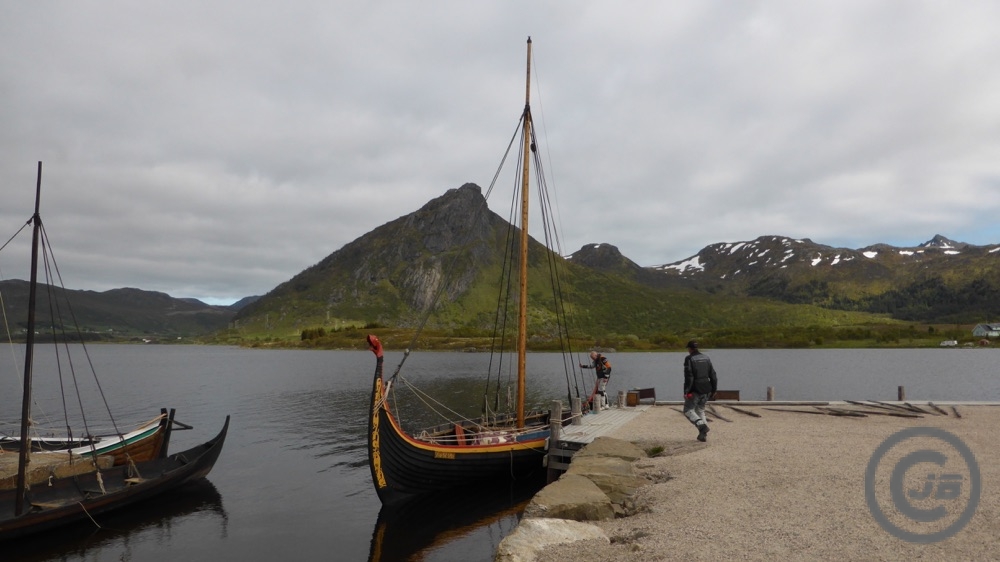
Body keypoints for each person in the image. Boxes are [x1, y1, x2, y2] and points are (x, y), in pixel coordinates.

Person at [683, 340, 717, 442]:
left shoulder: (689, 359)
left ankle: (702, 427)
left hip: (695, 389)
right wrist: (714, 389)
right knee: (700, 410)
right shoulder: (706, 357)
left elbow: (689, 377)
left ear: (689, 349)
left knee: (688, 410)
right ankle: (703, 435)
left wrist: (686, 391)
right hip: (707, 388)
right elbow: (713, 375)